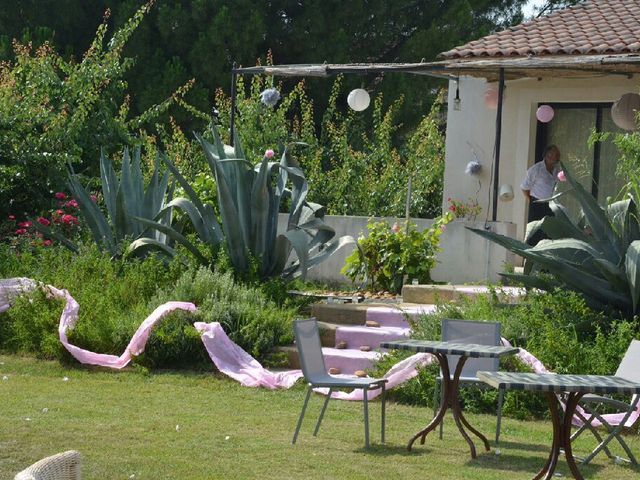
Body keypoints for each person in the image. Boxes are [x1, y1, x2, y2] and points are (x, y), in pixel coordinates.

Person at [520, 145, 560, 245]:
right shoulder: (536, 169)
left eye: (555, 155)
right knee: (534, 233)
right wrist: (532, 200)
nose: (552, 157)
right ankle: (530, 258)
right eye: (550, 154)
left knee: (548, 233)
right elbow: (524, 187)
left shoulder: (556, 171)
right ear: (545, 155)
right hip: (537, 204)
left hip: (550, 205)